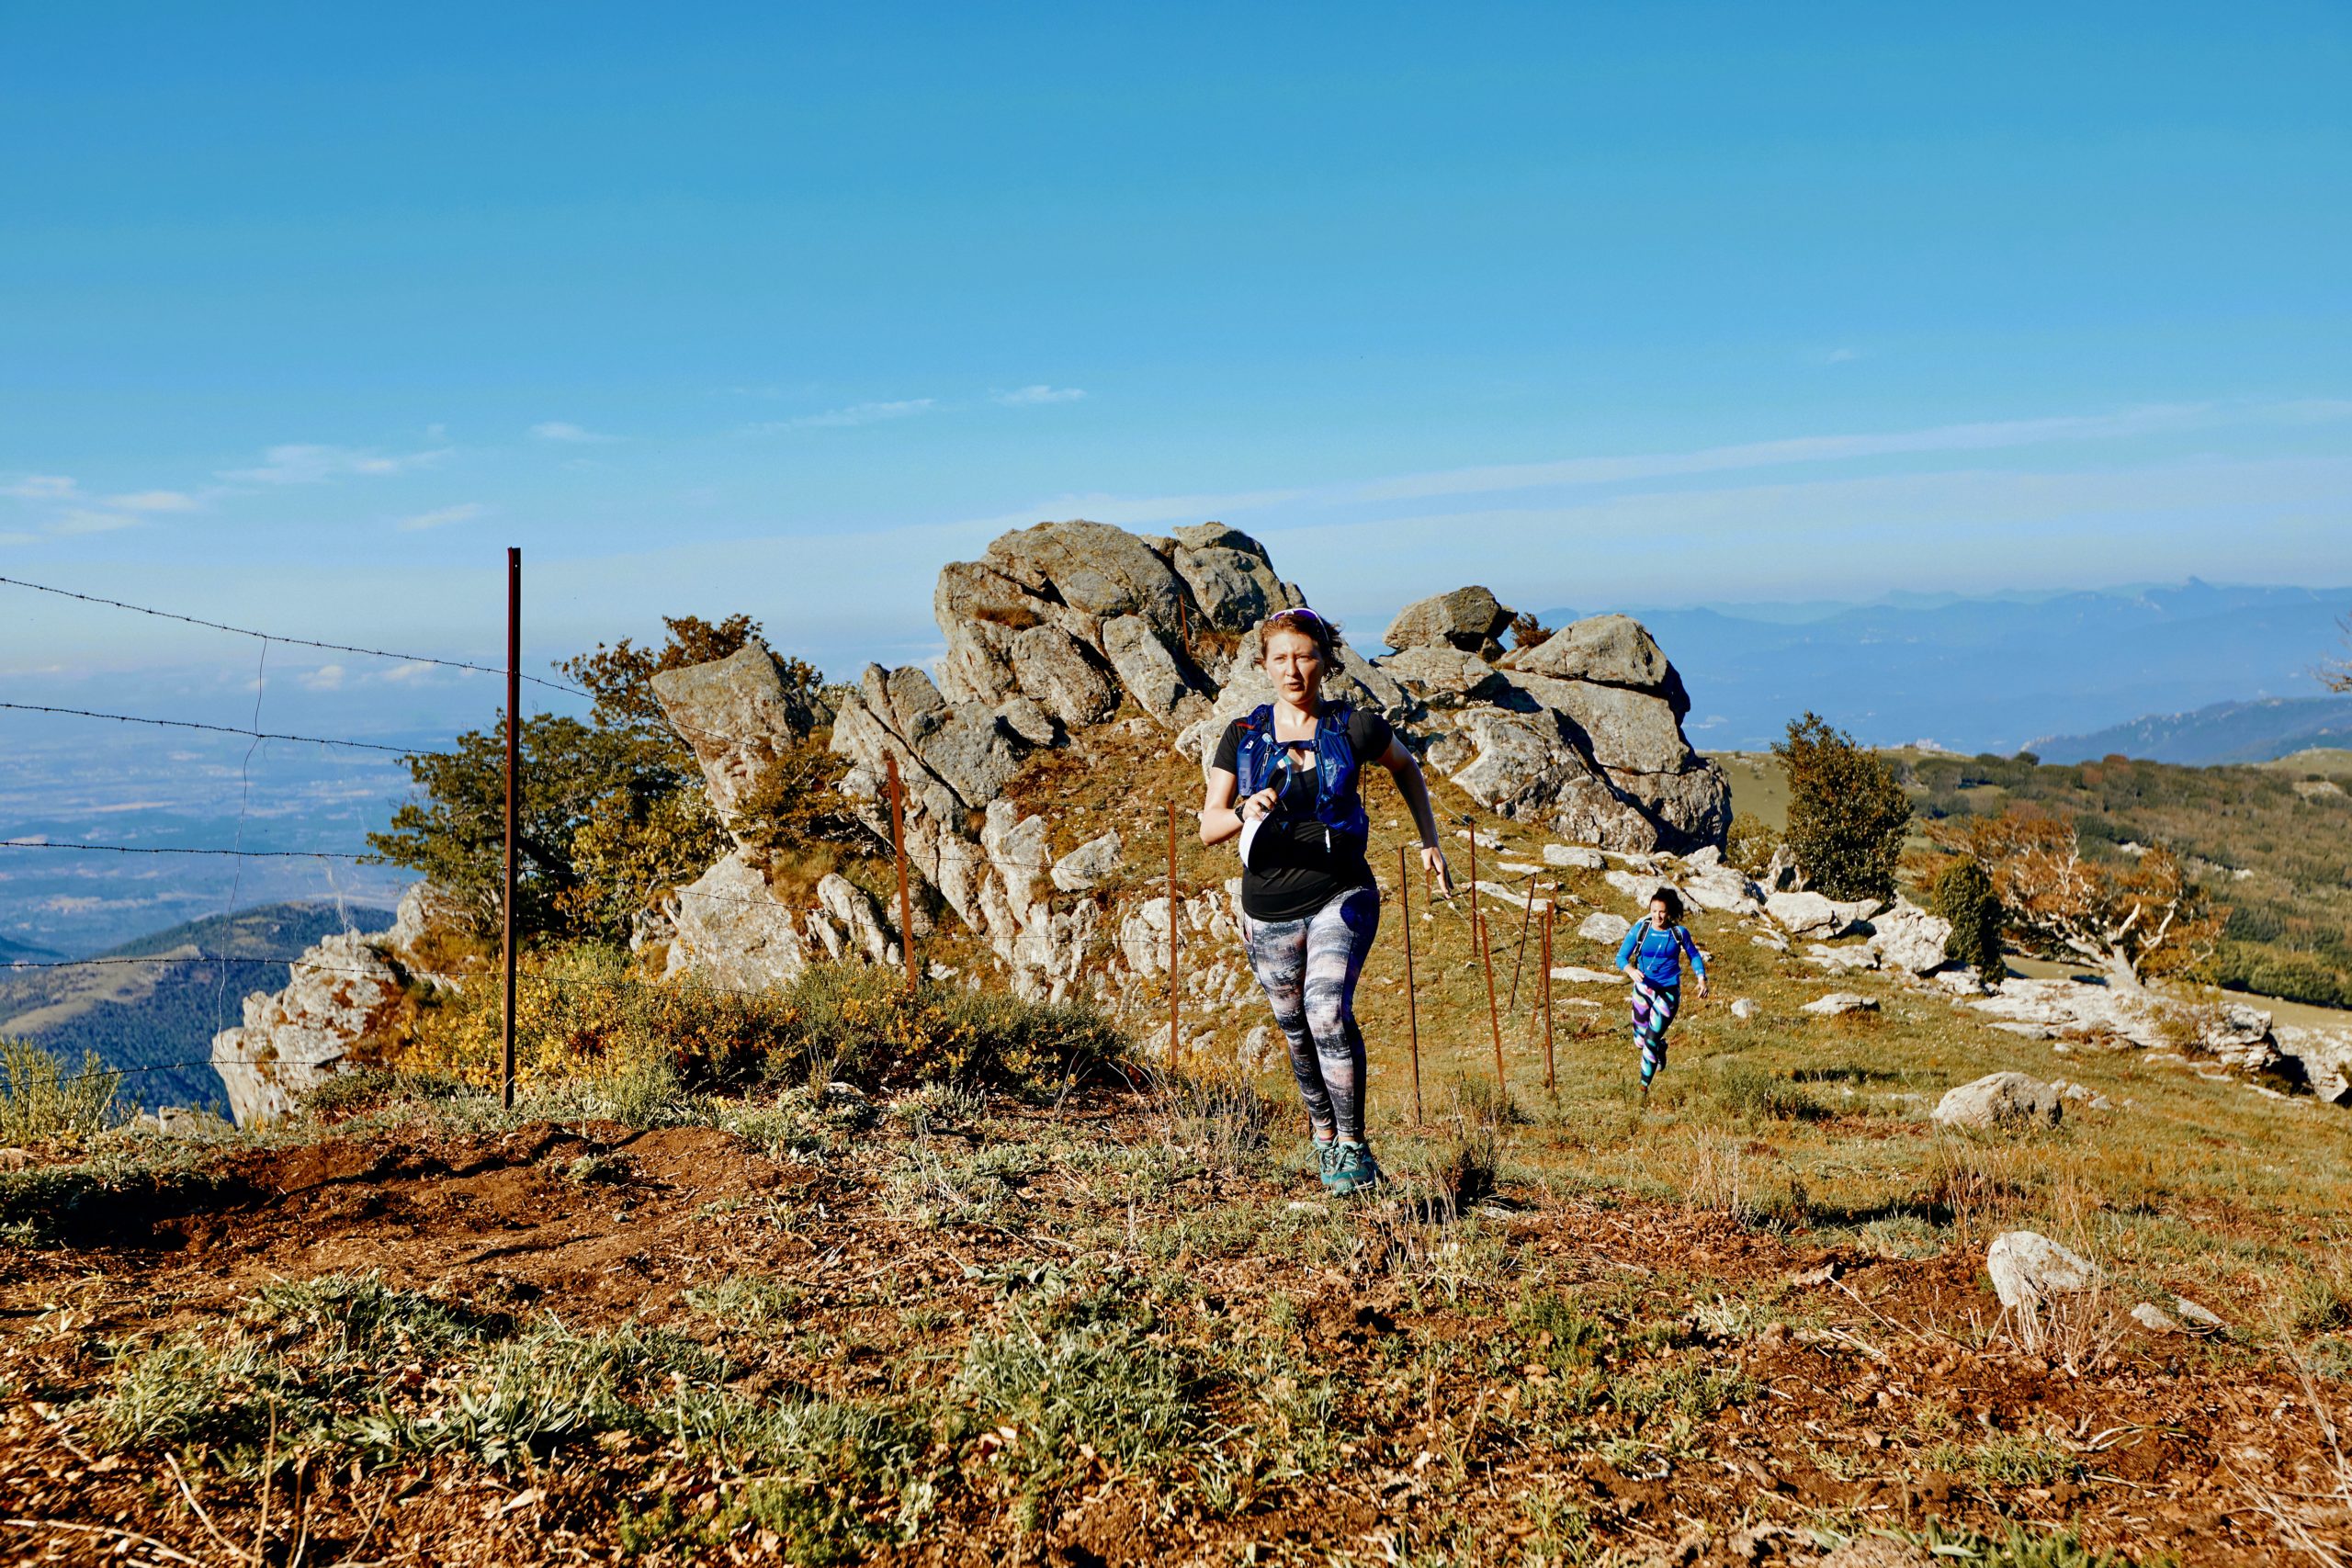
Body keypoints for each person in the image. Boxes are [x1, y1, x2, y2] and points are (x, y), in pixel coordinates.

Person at [1199, 606, 1453, 1196]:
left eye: (1305, 656)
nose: (1294, 670)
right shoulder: (1241, 736)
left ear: (1325, 661)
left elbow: (1406, 767)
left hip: (1343, 891)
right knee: (1295, 1030)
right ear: (1264, 666)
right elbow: (1207, 826)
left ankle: (1354, 1145)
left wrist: (1429, 840)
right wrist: (1243, 811)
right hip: (1267, 905)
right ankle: (1323, 1137)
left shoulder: (1353, 725)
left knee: (1326, 1012)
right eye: (1281, 658)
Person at [1615, 887, 1707, 1096]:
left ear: (1669, 912)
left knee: (1650, 1040)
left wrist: (1701, 979)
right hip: (1643, 989)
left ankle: (1642, 1088)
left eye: (1662, 911)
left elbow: (1694, 955)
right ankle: (1661, 1048)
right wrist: (1630, 970)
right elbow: (1621, 957)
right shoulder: (1641, 929)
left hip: (1668, 992)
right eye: (1654, 911)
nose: (1657, 915)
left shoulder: (1679, 933)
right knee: (1640, 1041)